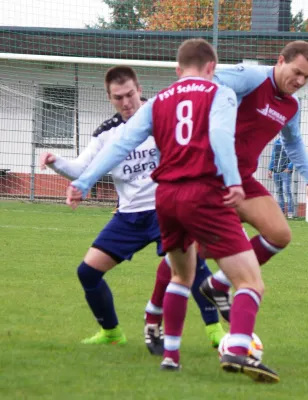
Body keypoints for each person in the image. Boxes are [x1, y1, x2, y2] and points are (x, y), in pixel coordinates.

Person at [65, 39, 279, 382]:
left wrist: (85, 181)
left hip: (166, 199)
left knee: (180, 275)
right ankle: (239, 350)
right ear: (212, 67)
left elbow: (121, 145)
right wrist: (233, 180)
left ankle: (171, 357)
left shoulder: (158, 101)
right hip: (203, 194)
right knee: (250, 281)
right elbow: (220, 136)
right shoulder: (219, 92)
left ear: (178, 70)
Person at [40, 65, 225, 353]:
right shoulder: (106, 133)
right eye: (118, 98)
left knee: (192, 266)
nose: (126, 103)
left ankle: (216, 332)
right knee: (87, 272)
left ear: (139, 90)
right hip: (128, 217)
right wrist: (55, 161)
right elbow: (81, 169)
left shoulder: (163, 114)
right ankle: (112, 333)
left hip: (166, 208)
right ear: (109, 98)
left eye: (130, 95)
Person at [199, 41, 308, 321]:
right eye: (297, 72)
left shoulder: (291, 106)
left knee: (279, 234)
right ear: (280, 61)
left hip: (242, 179)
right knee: (188, 256)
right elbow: (210, 83)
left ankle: (218, 284)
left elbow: (293, 142)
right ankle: (154, 319)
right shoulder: (252, 77)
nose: (300, 81)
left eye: (306, 77)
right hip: (208, 176)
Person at [268, 136, 295, 218]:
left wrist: (289, 167)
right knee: (279, 191)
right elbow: (273, 156)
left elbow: (294, 156)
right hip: (276, 171)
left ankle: (290, 213)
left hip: (285, 171)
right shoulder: (277, 142)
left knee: (286, 191)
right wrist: (270, 169)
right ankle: (281, 212)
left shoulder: (291, 142)